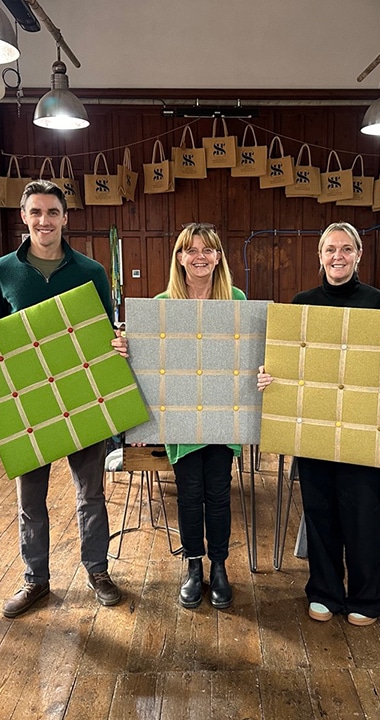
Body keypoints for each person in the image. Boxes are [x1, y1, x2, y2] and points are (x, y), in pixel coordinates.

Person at [257, 222, 380, 627]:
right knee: (319, 512)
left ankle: (368, 598)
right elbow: (285, 363)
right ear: (319, 256)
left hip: (367, 430)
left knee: (365, 514)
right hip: (314, 425)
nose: (338, 256)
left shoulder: (379, 302)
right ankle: (323, 591)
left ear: (358, 255)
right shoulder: (301, 304)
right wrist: (271, 378)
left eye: (347, 249)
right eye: (330, 249)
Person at [0, 180, 128, 618]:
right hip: (28, 401)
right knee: (30, 500)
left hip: (82, 395)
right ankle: (35, 580)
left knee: (90, 494)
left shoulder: (91, 271)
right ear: (23, 216)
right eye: (36, 212)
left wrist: (117, 346)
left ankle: (97, 570)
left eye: (52, 212)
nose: (44, 221)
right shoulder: (2, 271)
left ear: (65, 217)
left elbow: (105, 333)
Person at [153, 223, 246, 610]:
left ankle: (220, 567)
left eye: (208, 249)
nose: (200, 256)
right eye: (190, 250)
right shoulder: (163, 303)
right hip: (182, 415)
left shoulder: (236, 299)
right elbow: (152, 363)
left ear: (219, 257)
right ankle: (194, 567)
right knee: (189, 496)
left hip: (225, 412)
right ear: (179, 258)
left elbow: (249, 353)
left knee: (219, 495)